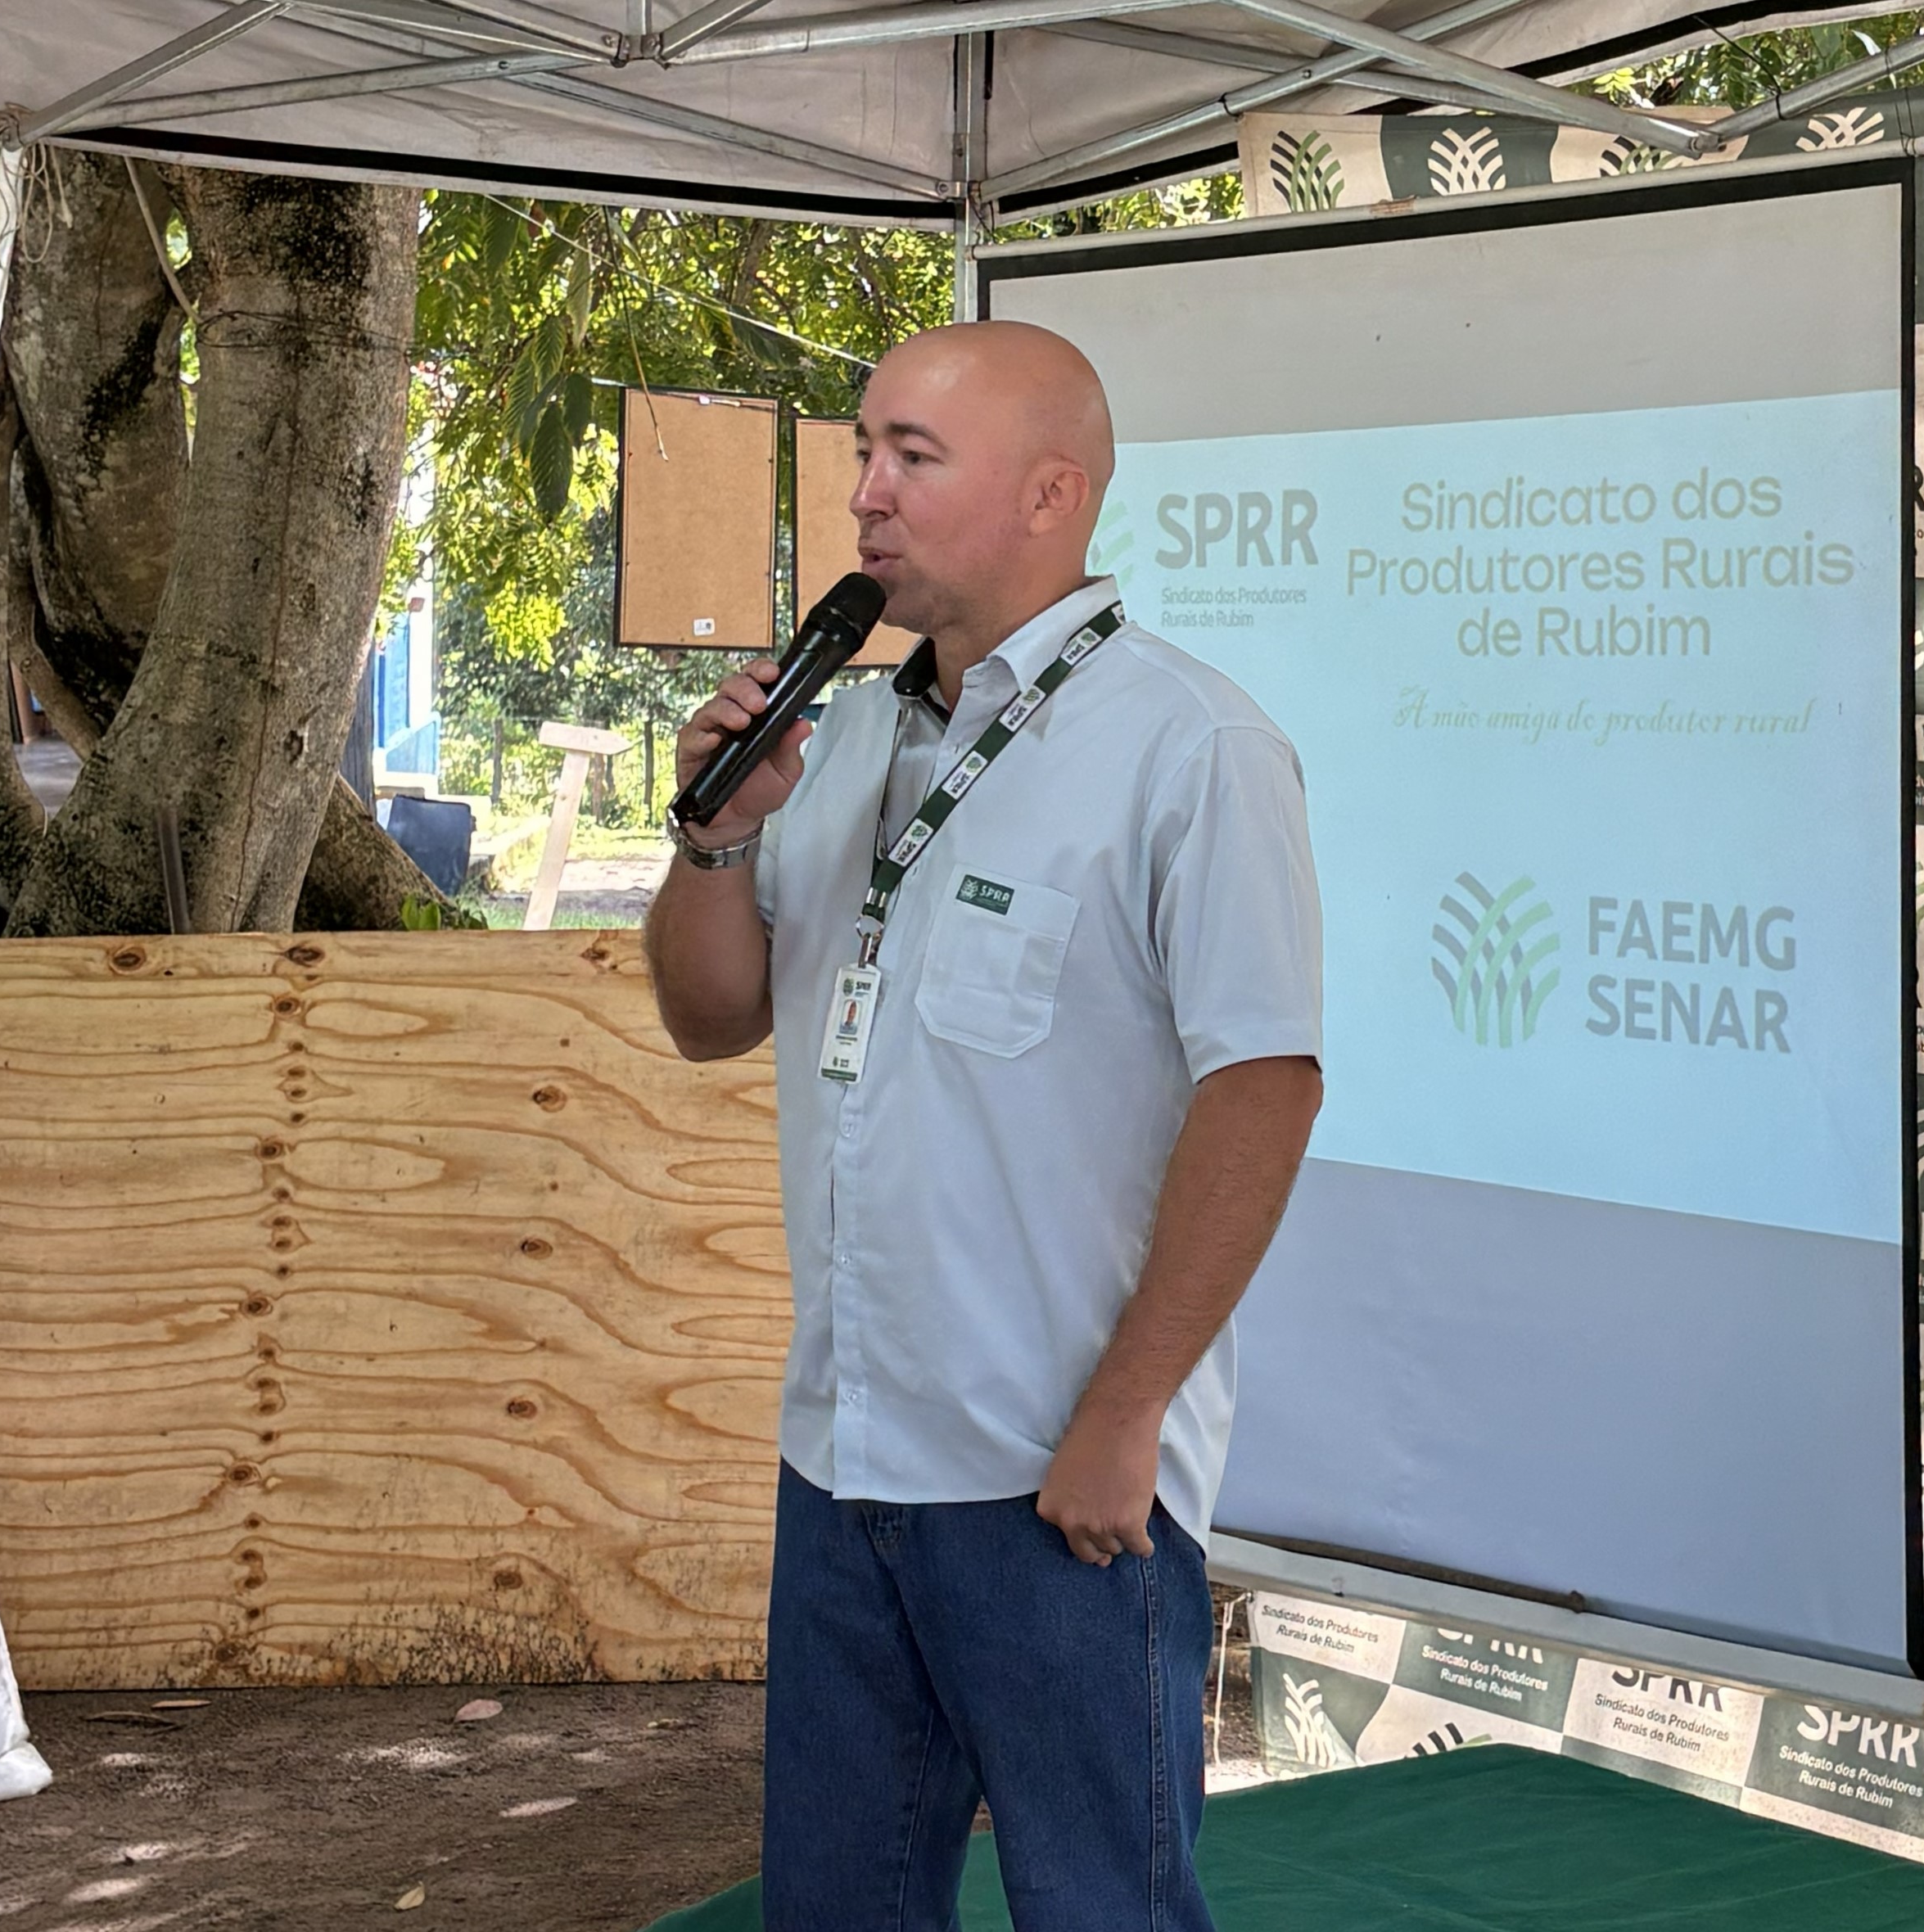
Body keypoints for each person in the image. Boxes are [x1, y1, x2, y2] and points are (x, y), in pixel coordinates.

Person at [644, 319, 1324, 1931]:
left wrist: (1127, 1412)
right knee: (838, 1908)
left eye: (912, 456)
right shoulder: (839, 738)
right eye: (863, 449)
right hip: (844, 1460)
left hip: (1053, 1480)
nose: (864, 493)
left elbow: (1264, 1087)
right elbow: (708, 1015)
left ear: (1049, 494)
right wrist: (718, 838)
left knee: (1099, 1907)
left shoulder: (1192, 746)